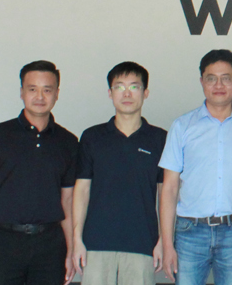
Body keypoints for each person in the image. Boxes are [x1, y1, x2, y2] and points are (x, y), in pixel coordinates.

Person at [157, 50, 232, 285]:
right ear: (202, 81)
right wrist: (168, 244)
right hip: (189, 232)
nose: (218, 85)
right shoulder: (182, 126)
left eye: (226, 78)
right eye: (211, 78)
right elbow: (169, 188)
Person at [0, 60, 79, 285]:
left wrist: (70, 250)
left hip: (51, 244)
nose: (39, 96)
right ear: (22, 92)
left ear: (57, 94)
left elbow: (68, 200)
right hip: (5, 241)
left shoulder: (68, 142)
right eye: (32, 89)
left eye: (47, 90)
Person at [72, 62, 169, 285]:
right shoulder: (92, 137)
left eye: (134, 87)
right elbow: (82, 190)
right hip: (95, 245)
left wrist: (163, 241)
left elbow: (166, 195)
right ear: (110, 93)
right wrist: (77, 240)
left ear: (145, 93)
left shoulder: (160, 139)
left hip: (142, 244)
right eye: (119, 87)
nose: (127, 93)